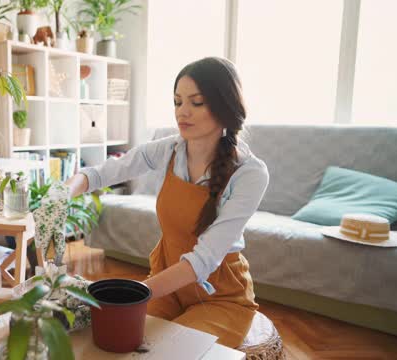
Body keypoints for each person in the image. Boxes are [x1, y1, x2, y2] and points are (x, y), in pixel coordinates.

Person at [66, 57, 269, 348]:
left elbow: (203, 259)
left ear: (225, 107)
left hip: (221, 298)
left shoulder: (250, 173)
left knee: (167, 352)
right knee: (112, 340)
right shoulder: (170, 149)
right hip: (168, 288)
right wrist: (64, 191)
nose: (182, 112)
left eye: (196, 102)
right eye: (177, 101)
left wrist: (133, 292)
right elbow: (102, 173)